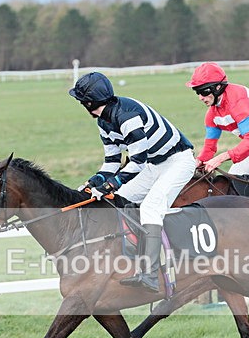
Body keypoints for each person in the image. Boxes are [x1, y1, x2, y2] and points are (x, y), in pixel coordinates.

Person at [69, 72, 196, 293]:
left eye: (81, 101)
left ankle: (150, 274)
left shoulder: (127, 116)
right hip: (153, 165)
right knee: (119, 199)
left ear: (89, 102)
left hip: (177, 161)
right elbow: (111, 161)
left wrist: (110, 185)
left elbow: (137, 161)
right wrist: (94, 182)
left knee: (150, 207)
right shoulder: (103, 121)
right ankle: (134, 258)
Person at [186, 62, 249, 200]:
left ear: (218, 87)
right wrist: (197, 162)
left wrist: (221, 158)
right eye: (197, 92)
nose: (200, 97)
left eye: (204, 92)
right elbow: (209, 148)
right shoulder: (212, 115)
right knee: (233, 184)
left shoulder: (237, 100)